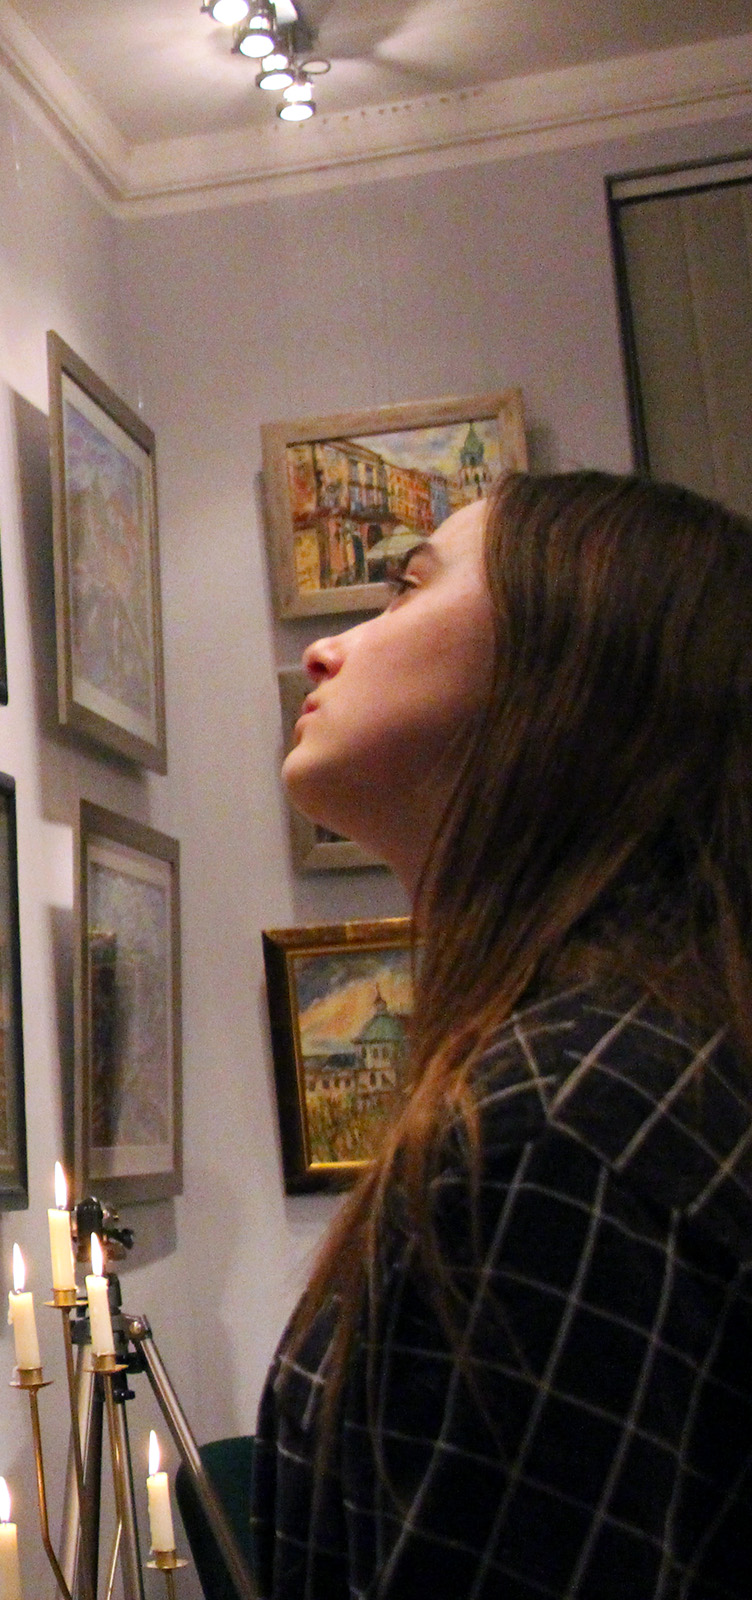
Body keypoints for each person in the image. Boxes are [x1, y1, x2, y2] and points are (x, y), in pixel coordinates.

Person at [256, 470, 752, 1598]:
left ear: (569, 664)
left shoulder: (558, 1124)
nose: (324, 652)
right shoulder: (626, 1065)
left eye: (406, 588)